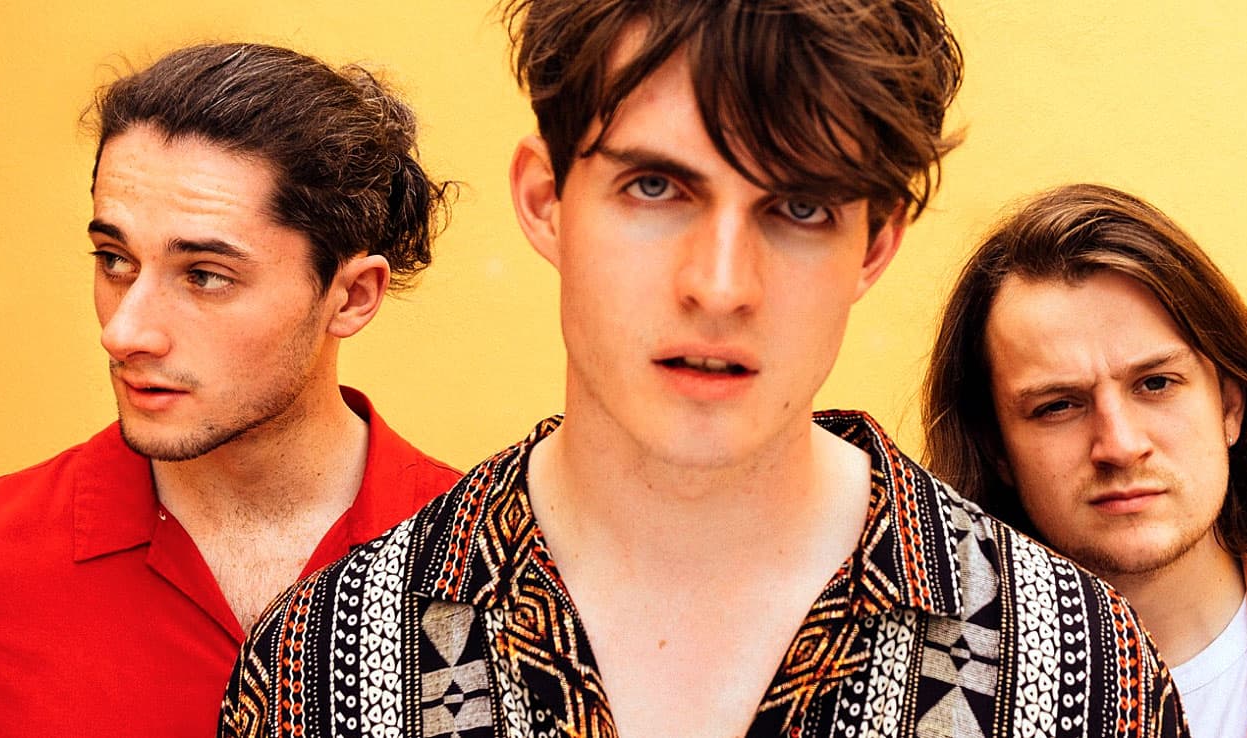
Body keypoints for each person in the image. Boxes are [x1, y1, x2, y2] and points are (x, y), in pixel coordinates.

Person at [220, 5, 1185, 738]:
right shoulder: (329, 668)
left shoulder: (1078, 675)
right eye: (656, 187)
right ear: (548, 200)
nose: (721, 287)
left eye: (800, 208)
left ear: (875, 243)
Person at [0, 43, 463, 738]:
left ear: (351, 296)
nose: (124, 332)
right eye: (114, 260)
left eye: (205, 275)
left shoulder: (492, 574)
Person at [922, 182, 1247, 736]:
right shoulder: (917, 708)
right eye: (1058, 405)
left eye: (1156, 383)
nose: (1120, 445)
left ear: (1229, 405)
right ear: (997, 448)